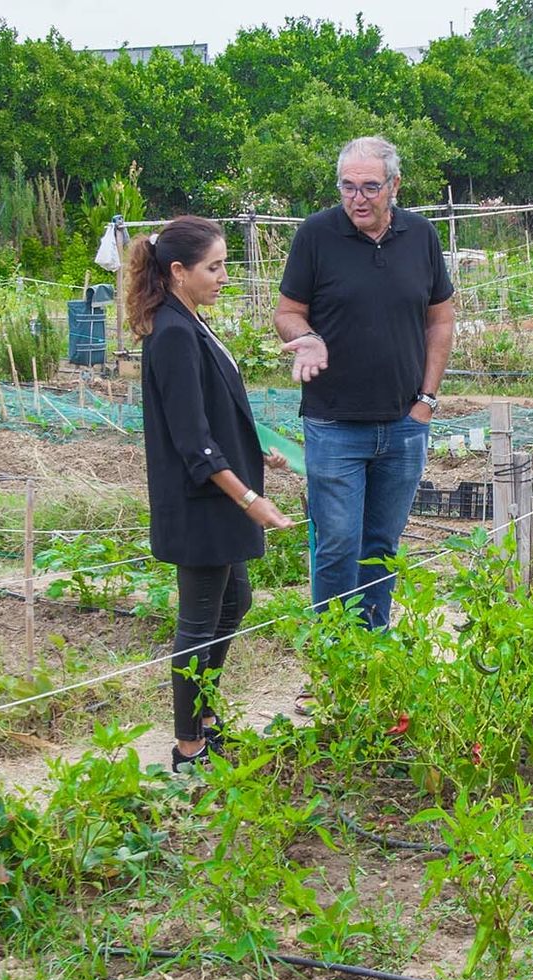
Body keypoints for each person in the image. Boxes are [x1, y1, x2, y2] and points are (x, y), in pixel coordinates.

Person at [128, 215, 293, 771]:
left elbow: (211, 413)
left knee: (234, 602)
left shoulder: (190, 322)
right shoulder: (173, 334)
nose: (224, 276)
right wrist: (251, 499)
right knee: (198, 623)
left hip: (217, 499)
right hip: (201, 504)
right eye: (214, 267)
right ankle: (188, 747)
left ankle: (204, 716)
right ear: (179, 271)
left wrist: (253, 449)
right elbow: (192, 440)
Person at [275, 135, 454, 641]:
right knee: (336, 545)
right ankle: (334, 654)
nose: (357, 198)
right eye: (347, 187)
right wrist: (307, 338)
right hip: (334, 424)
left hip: (403, 425)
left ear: (394, 185)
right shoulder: (316, 235)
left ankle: (373, 649)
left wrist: (426, 401)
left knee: (381, 545)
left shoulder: (421, 236)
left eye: (370, 187)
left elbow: (440, 320)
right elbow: (287, 312)